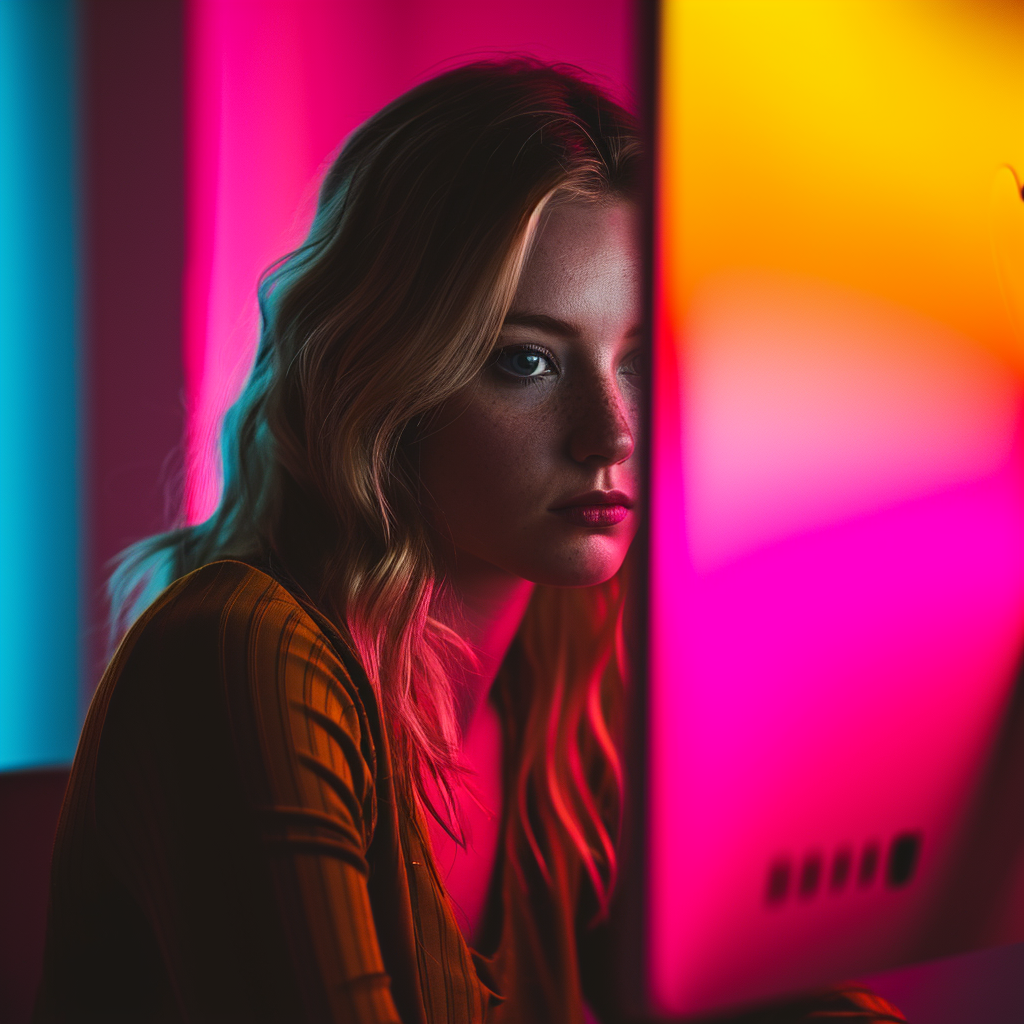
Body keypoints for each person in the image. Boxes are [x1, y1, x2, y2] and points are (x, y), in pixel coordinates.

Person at [34, 59, 903, 1024]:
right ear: (392, 375)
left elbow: (762, 996)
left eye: (638, 361)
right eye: (526, 359)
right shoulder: (242, 656)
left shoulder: (575, 676)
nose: (610, 434)